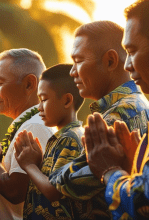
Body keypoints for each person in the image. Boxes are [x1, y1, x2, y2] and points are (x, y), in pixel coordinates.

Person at [49, 20, 149, 218]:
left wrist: (47, 167)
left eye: (78, 61)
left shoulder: (116, 115)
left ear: (110, 61)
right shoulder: (139, 103)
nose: (72, 72)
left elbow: (70, 183)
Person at [85, 1, 149, 219]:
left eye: (132, 51)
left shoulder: (119, 112)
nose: (127, 64)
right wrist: (134, 168)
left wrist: (109, 169)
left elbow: (142, 202)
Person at [0, 48, 56, 220]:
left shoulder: (34, 127)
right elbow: (9, 185)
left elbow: (14, 192)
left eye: (0, 83)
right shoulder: (30, 123)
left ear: (29, 84)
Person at [13, 64, 84, 219]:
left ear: (66, 100)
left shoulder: (69, 139)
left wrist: (29, 166)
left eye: (44, 99)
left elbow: (54, 190)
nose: (39, 107)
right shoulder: (62, 137)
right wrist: (39, 164)